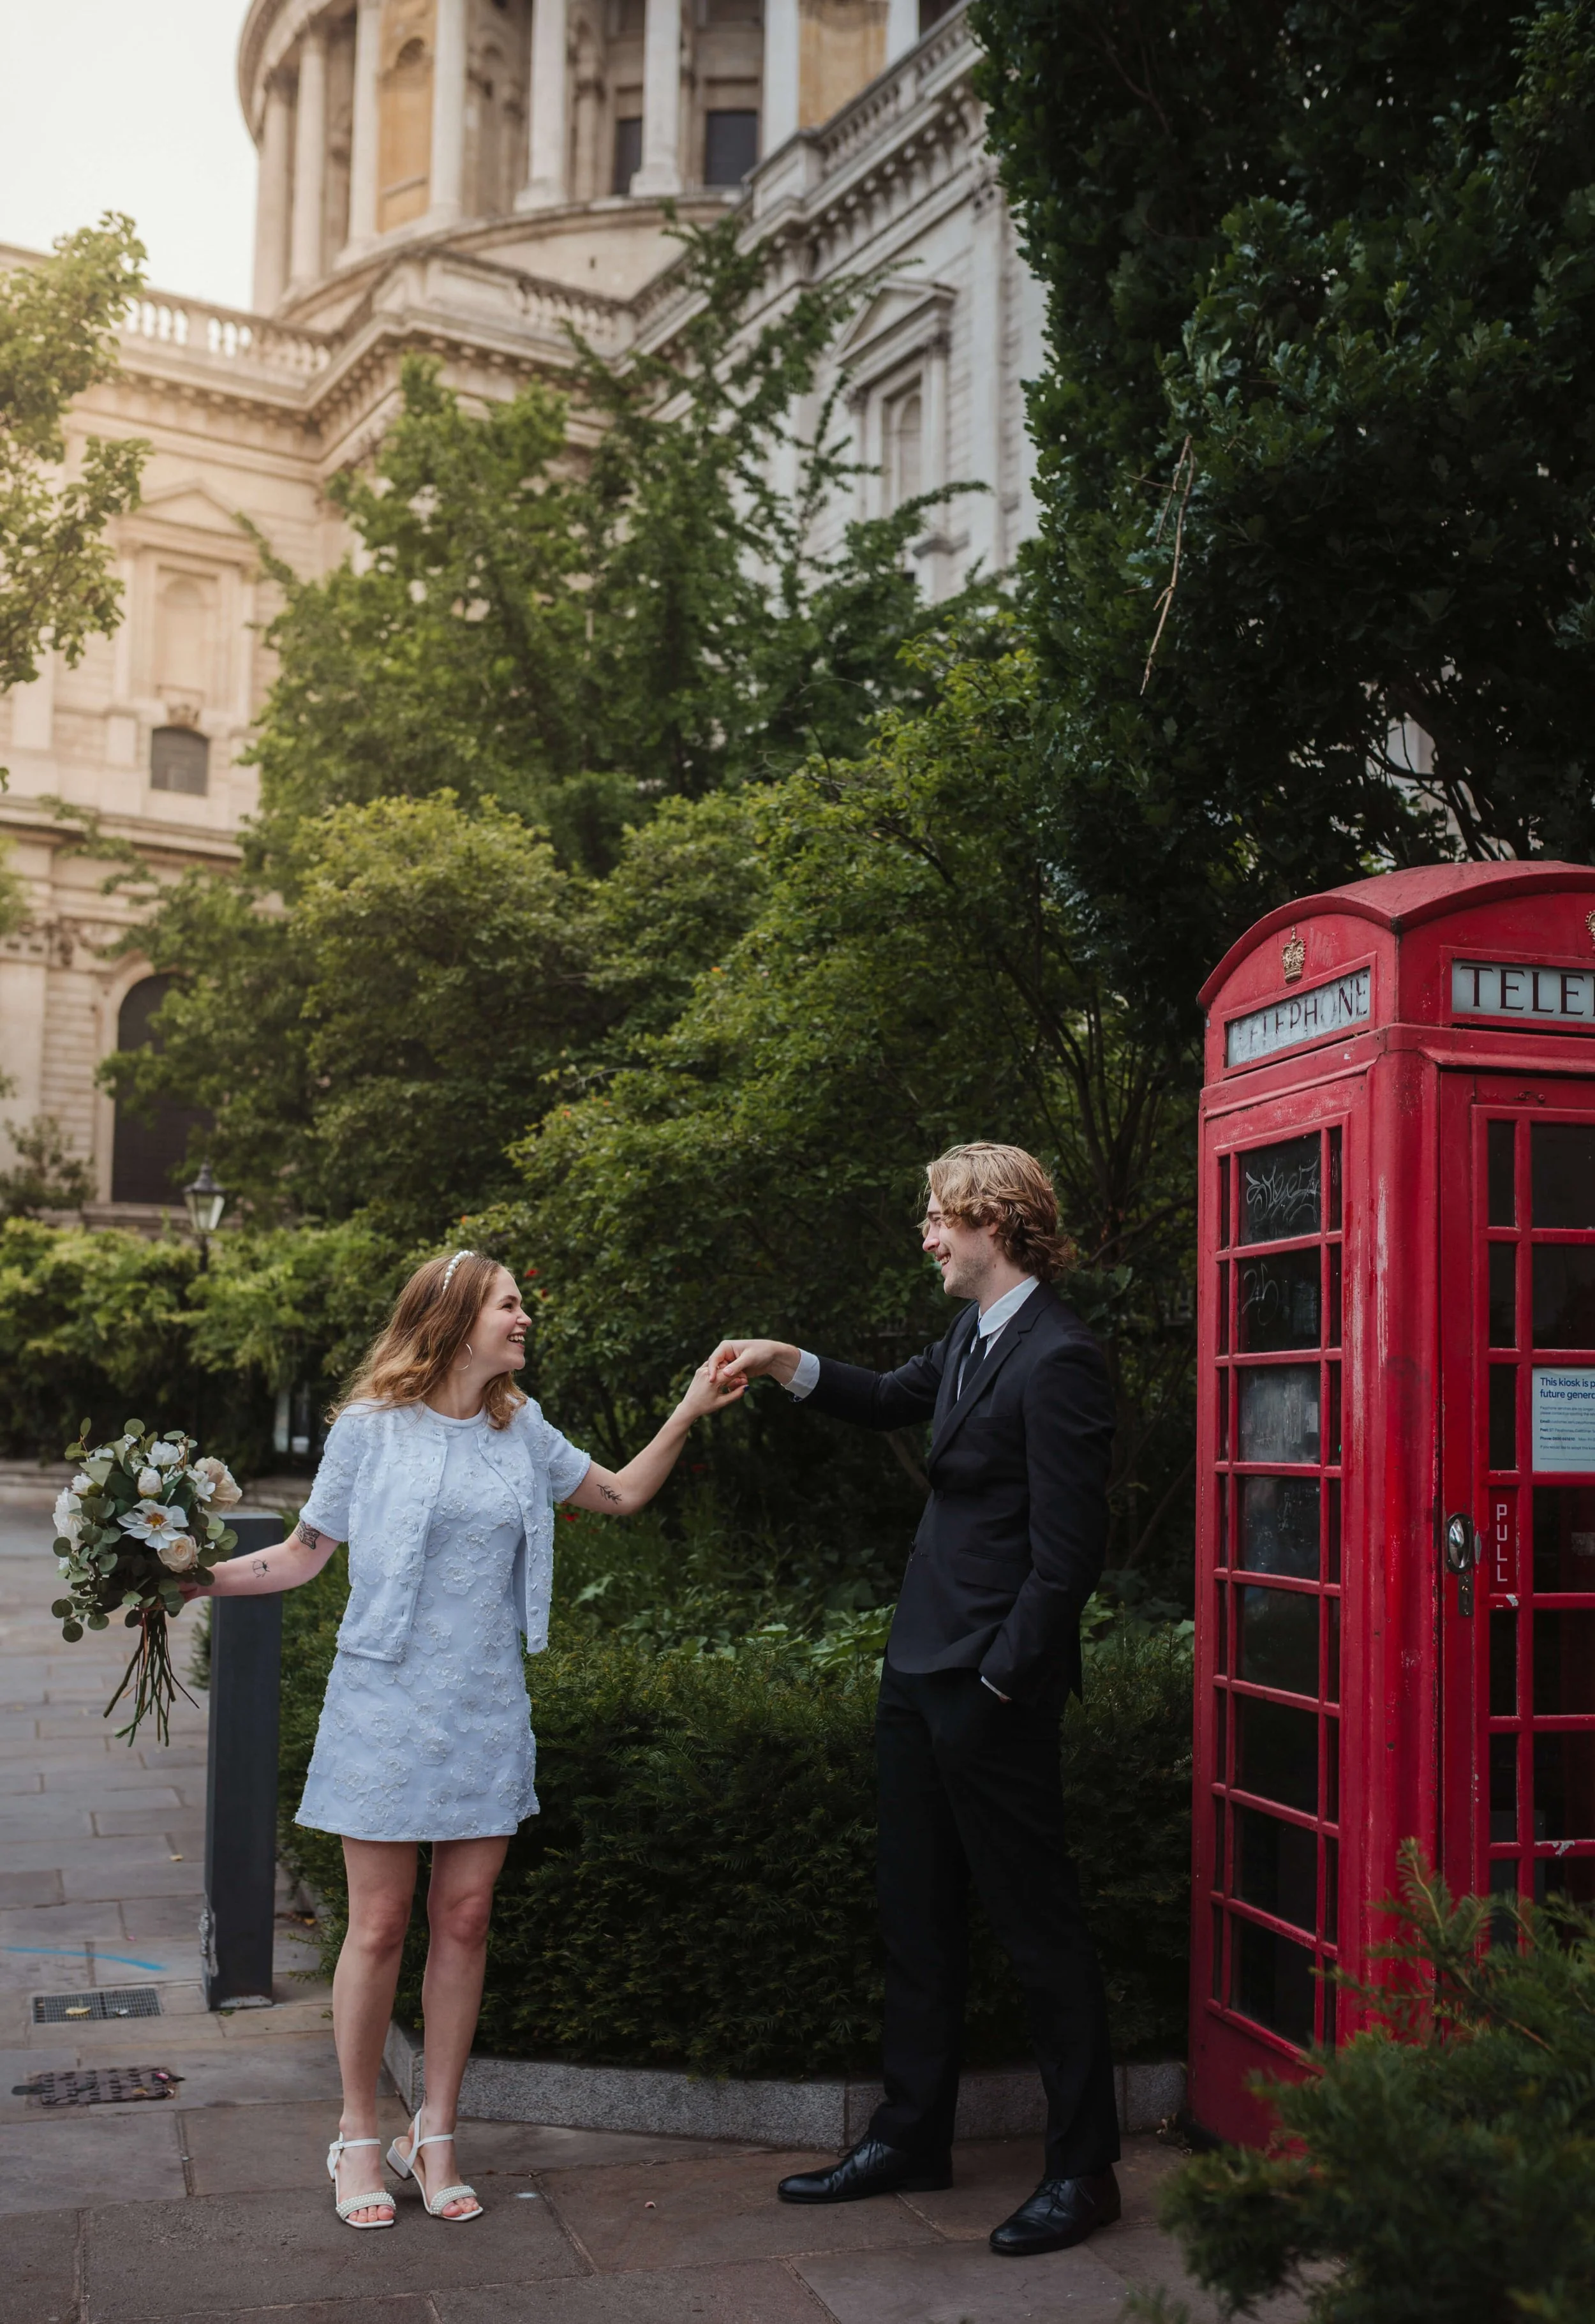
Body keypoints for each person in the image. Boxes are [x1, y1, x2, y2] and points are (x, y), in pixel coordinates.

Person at [187, 1248, 742, 2230]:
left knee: (469, 1915)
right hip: (385, 1703)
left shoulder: (520, 1428)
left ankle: (433, 2131)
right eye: (510, 1304)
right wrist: (195, 1577)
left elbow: (617, 1495)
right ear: (453, 1318)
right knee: (380, 1924)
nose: (526, 1318)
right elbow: (301, 1555)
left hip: (485, 1703)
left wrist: (691, 1404)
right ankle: (359, 2132)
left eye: (524, 1303)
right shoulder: (369, 1430)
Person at [710, 1142, 1120, 2258]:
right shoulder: (972, 1337)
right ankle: (912, 2135)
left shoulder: (1061, 1357)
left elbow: (1067, 1555)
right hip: (916, 1671)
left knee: (1038, 1932)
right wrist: (788, 1359)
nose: (928, 1236)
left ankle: (1084, 2171)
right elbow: (887, 1397)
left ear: (996, 1221)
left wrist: (998, 1678)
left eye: (940, 1217)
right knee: (918, 1915)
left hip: (990, 1684)